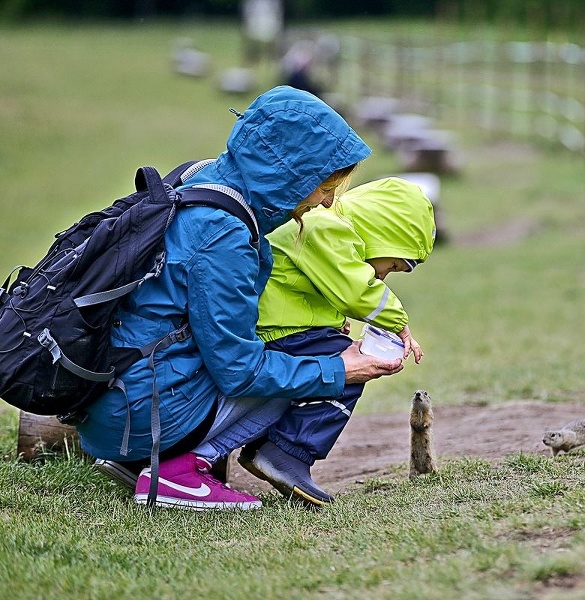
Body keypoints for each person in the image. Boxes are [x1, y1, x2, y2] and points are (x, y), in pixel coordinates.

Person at [79, 86, 403, 511]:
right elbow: (239, 371)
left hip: (109, 398)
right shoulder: (224, 233)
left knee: (292, 352)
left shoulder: (202, 177)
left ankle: (147, 459)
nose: (327, 200)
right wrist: (338, 369)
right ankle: (177, 473)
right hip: (137, 414)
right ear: (290, 172)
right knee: (312, 354)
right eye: (323, 185)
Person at [239, 176, 436, 506]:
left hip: (278, 324)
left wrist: (332, 322)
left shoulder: (327, 226)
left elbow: (309, 287)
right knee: (350, 367)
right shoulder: (325, 227)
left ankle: (262, 444)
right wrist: (399, 324)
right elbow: (357, 292)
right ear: (384, 236)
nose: (383, 276)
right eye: (392, 265)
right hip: (275, 331)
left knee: (334, 354)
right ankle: (285, 452)